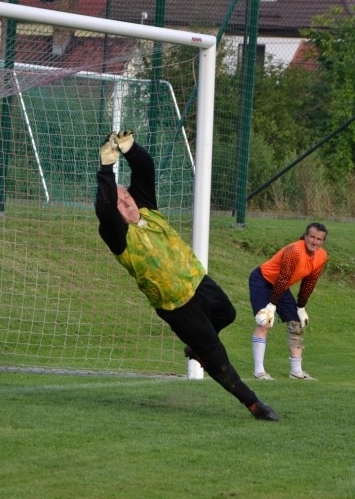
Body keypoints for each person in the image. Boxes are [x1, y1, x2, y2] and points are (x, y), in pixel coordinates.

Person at [95, 130, 279, 421]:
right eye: (120, 202)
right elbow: (104, 207)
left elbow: (145, 168)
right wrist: (105, 169)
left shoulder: (147, 210)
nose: (126, 202)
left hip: (198, 281)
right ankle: (254, 404)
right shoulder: (117, 234)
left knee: (228, 314)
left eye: (126, 196)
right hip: (176, 306)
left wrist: (129, 148)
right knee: (216, 355)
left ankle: (198, 348)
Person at [249, 223, 328, 381]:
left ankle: (296, 372)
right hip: (262, 280)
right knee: (264, 322)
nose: (314, 241)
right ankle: (259, 371)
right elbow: (283, 277)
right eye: (312, 237)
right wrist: (271, 306)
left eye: (319, 239)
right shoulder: (294, 251)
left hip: (280, 286)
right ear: (304, 236)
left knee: (296, 324)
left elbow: (309, 282)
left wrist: (301, 307)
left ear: (323, 241)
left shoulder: (322, 256)